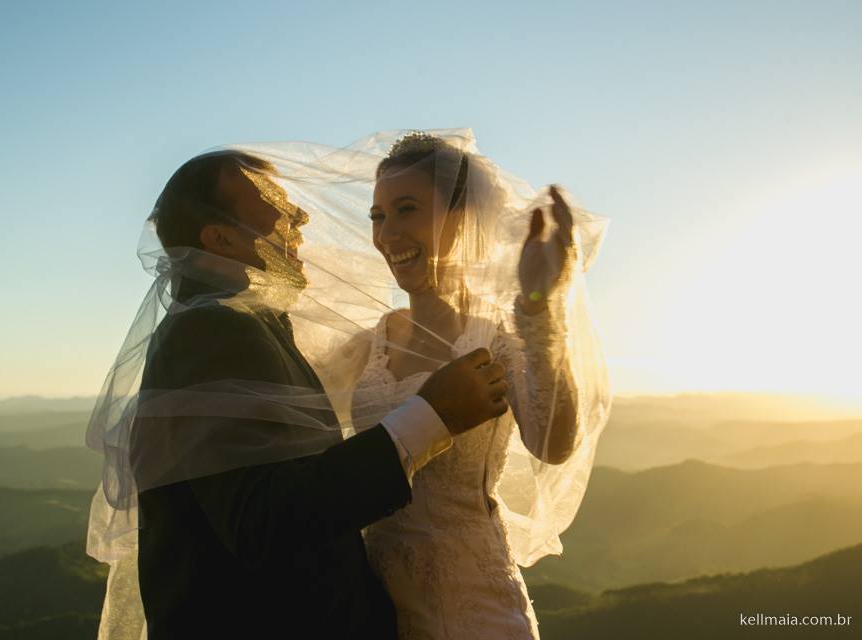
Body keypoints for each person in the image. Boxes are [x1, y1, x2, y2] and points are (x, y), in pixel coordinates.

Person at [85, 150, 511, 640]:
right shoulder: (211, 331)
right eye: (273, 202)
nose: (301, 215)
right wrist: (430, 415)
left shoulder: (241, 324)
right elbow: (265, 520)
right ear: (220, 238)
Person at [336, 132, 611, 639]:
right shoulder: (368, 343)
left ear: (463, 219)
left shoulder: (495, 341)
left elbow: (553, 445)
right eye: (378, 216)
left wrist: (539, 313)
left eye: (407, 209)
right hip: (371, 610)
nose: (388, 233)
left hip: (469, 609)